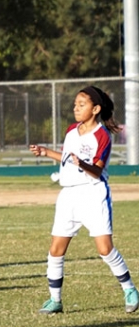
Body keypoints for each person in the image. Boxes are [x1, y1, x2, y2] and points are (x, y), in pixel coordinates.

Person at [29, 85, 139, 314]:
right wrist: (46, 152)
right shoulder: (71, 130)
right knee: (56, 250)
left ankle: (130, 289)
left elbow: (97, 171)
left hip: (93, 193)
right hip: (68, 194)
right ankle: (55, 300)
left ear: (95, 108)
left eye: (82, 104)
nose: (76, 108)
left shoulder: (102, 135)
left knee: (105, 248)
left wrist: (83, 164)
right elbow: (67, 158)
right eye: (75, 104)